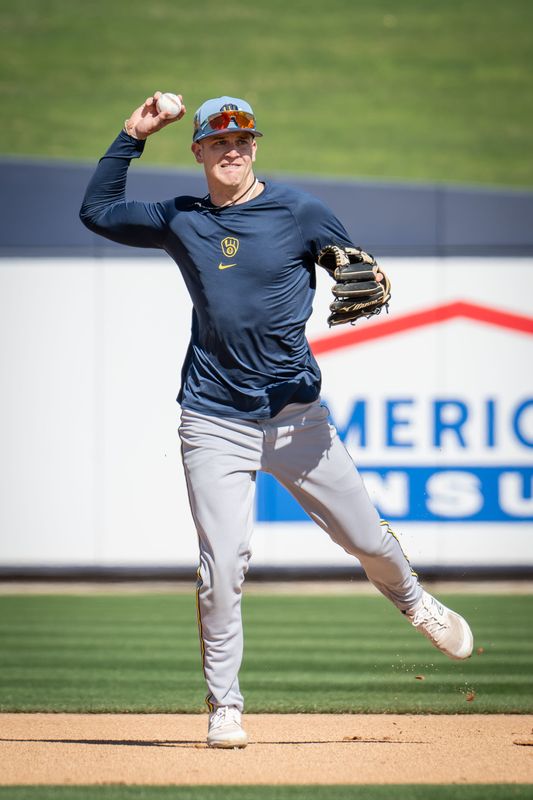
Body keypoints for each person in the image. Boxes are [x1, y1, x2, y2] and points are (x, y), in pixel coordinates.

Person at [80, 92, 474, 749]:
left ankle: (413, 601)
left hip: (299, 420)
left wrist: (362, 272)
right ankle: (224, 708)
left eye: (242, 139)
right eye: (218, 141)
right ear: (199, 151)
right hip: (213, 419)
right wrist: (131, 133)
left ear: (254, 147)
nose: (232, 149)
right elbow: (96, 211)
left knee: (365, 539)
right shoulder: (181, 218)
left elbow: (356, 271)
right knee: (221, 566)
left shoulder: (299, 211)